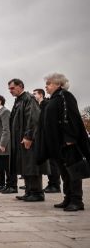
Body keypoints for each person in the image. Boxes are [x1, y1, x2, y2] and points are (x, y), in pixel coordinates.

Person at [37, 73, 90, 211]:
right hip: (57, 143)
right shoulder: (54, 98)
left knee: (72, 172)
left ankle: (77, 200)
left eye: (49, 84)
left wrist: (70, 138)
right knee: (64, 172)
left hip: (67, 143)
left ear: (59, 84)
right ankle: (68, 198)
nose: (46, 86)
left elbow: (72, 117)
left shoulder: (65, 96)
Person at [8, 78, 50, 200]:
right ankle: (29, 191)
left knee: (32, 165)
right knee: (25, 166)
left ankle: (37, 193)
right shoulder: (19, 100)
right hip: (20, 140)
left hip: (29, 140)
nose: (10, 91)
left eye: (12, 88)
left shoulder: (29, 99)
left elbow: (33, 118)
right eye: (9, 89)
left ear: (20, 86)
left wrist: (28, 136)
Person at [33, 88, 61, 193]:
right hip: (42, 137)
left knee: (52, 163)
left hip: (49, 137)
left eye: (35, 94)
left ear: (41, 95)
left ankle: (55, 185)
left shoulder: (46, 104)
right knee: (48, 163)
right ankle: (51, 183)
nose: (33, 96)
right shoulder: (39, 105)